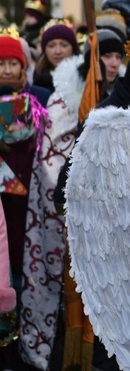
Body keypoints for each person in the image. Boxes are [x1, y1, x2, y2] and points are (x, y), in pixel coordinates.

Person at [20, 28, 124, 369]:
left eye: (115, 56)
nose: (110, 62)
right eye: (103, 56)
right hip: (71, 209)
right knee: (70, 288)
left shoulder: (126, 92)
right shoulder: (65, 95)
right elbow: (52, 156)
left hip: (114, 214)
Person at [0, 31, 49, 369]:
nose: (6, 69)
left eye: (12, 62)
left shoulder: (39, 99)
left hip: (30, 200)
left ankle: (25, 344)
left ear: (23, 65)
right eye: (0, 63)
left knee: (25, 271)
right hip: (1, 204)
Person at [33, 23, 80, 93]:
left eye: (64, 45)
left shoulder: (85, 79)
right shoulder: (38, 83)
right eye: (51, 46)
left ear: (73, 49)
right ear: (44, 51)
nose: (58, 51)